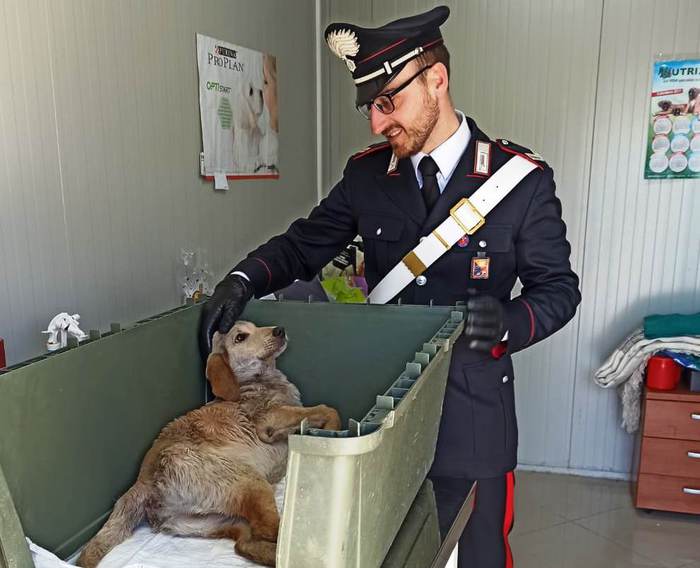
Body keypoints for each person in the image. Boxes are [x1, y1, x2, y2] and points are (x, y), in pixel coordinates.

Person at [200, 6, 580, 567]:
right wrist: (244, 277)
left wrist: (511, 322)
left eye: (388, 102)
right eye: (370, 108)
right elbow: (306, 243)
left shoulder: (518, 181)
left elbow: (559, 290)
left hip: (472, 412)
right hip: (384, 412)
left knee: (476, 556)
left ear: (437, 80)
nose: (378, 123)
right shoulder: (367, 175)